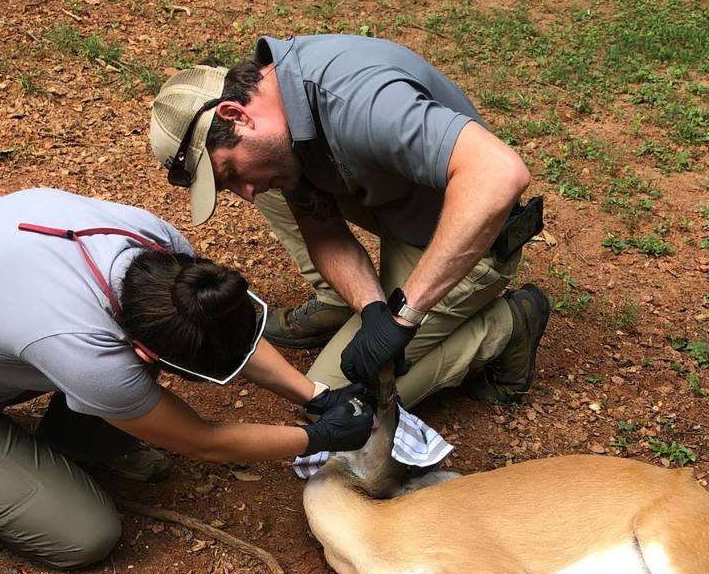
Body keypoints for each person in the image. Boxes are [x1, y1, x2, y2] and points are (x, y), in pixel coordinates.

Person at [0, 187, 371, 569]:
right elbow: (204, 441)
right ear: (135, 347)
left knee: (118, 387)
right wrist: (317, 437)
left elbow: (218, 332)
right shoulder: (82, 348)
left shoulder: (158, 254)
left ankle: (71, 434)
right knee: (86, 536)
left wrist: (317, 395)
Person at [148, 38, 551, 407]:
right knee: (271, 175)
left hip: (467, 237)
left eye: (230, 173)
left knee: (344, 399)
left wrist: (401, 317)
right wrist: (372, 308)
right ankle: (340, 302)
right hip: (398, 202)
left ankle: (506, 327)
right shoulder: (277, 102)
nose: (245, 194)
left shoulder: (359, 103)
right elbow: (322, 229)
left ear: (235, 114)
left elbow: (499, 174)